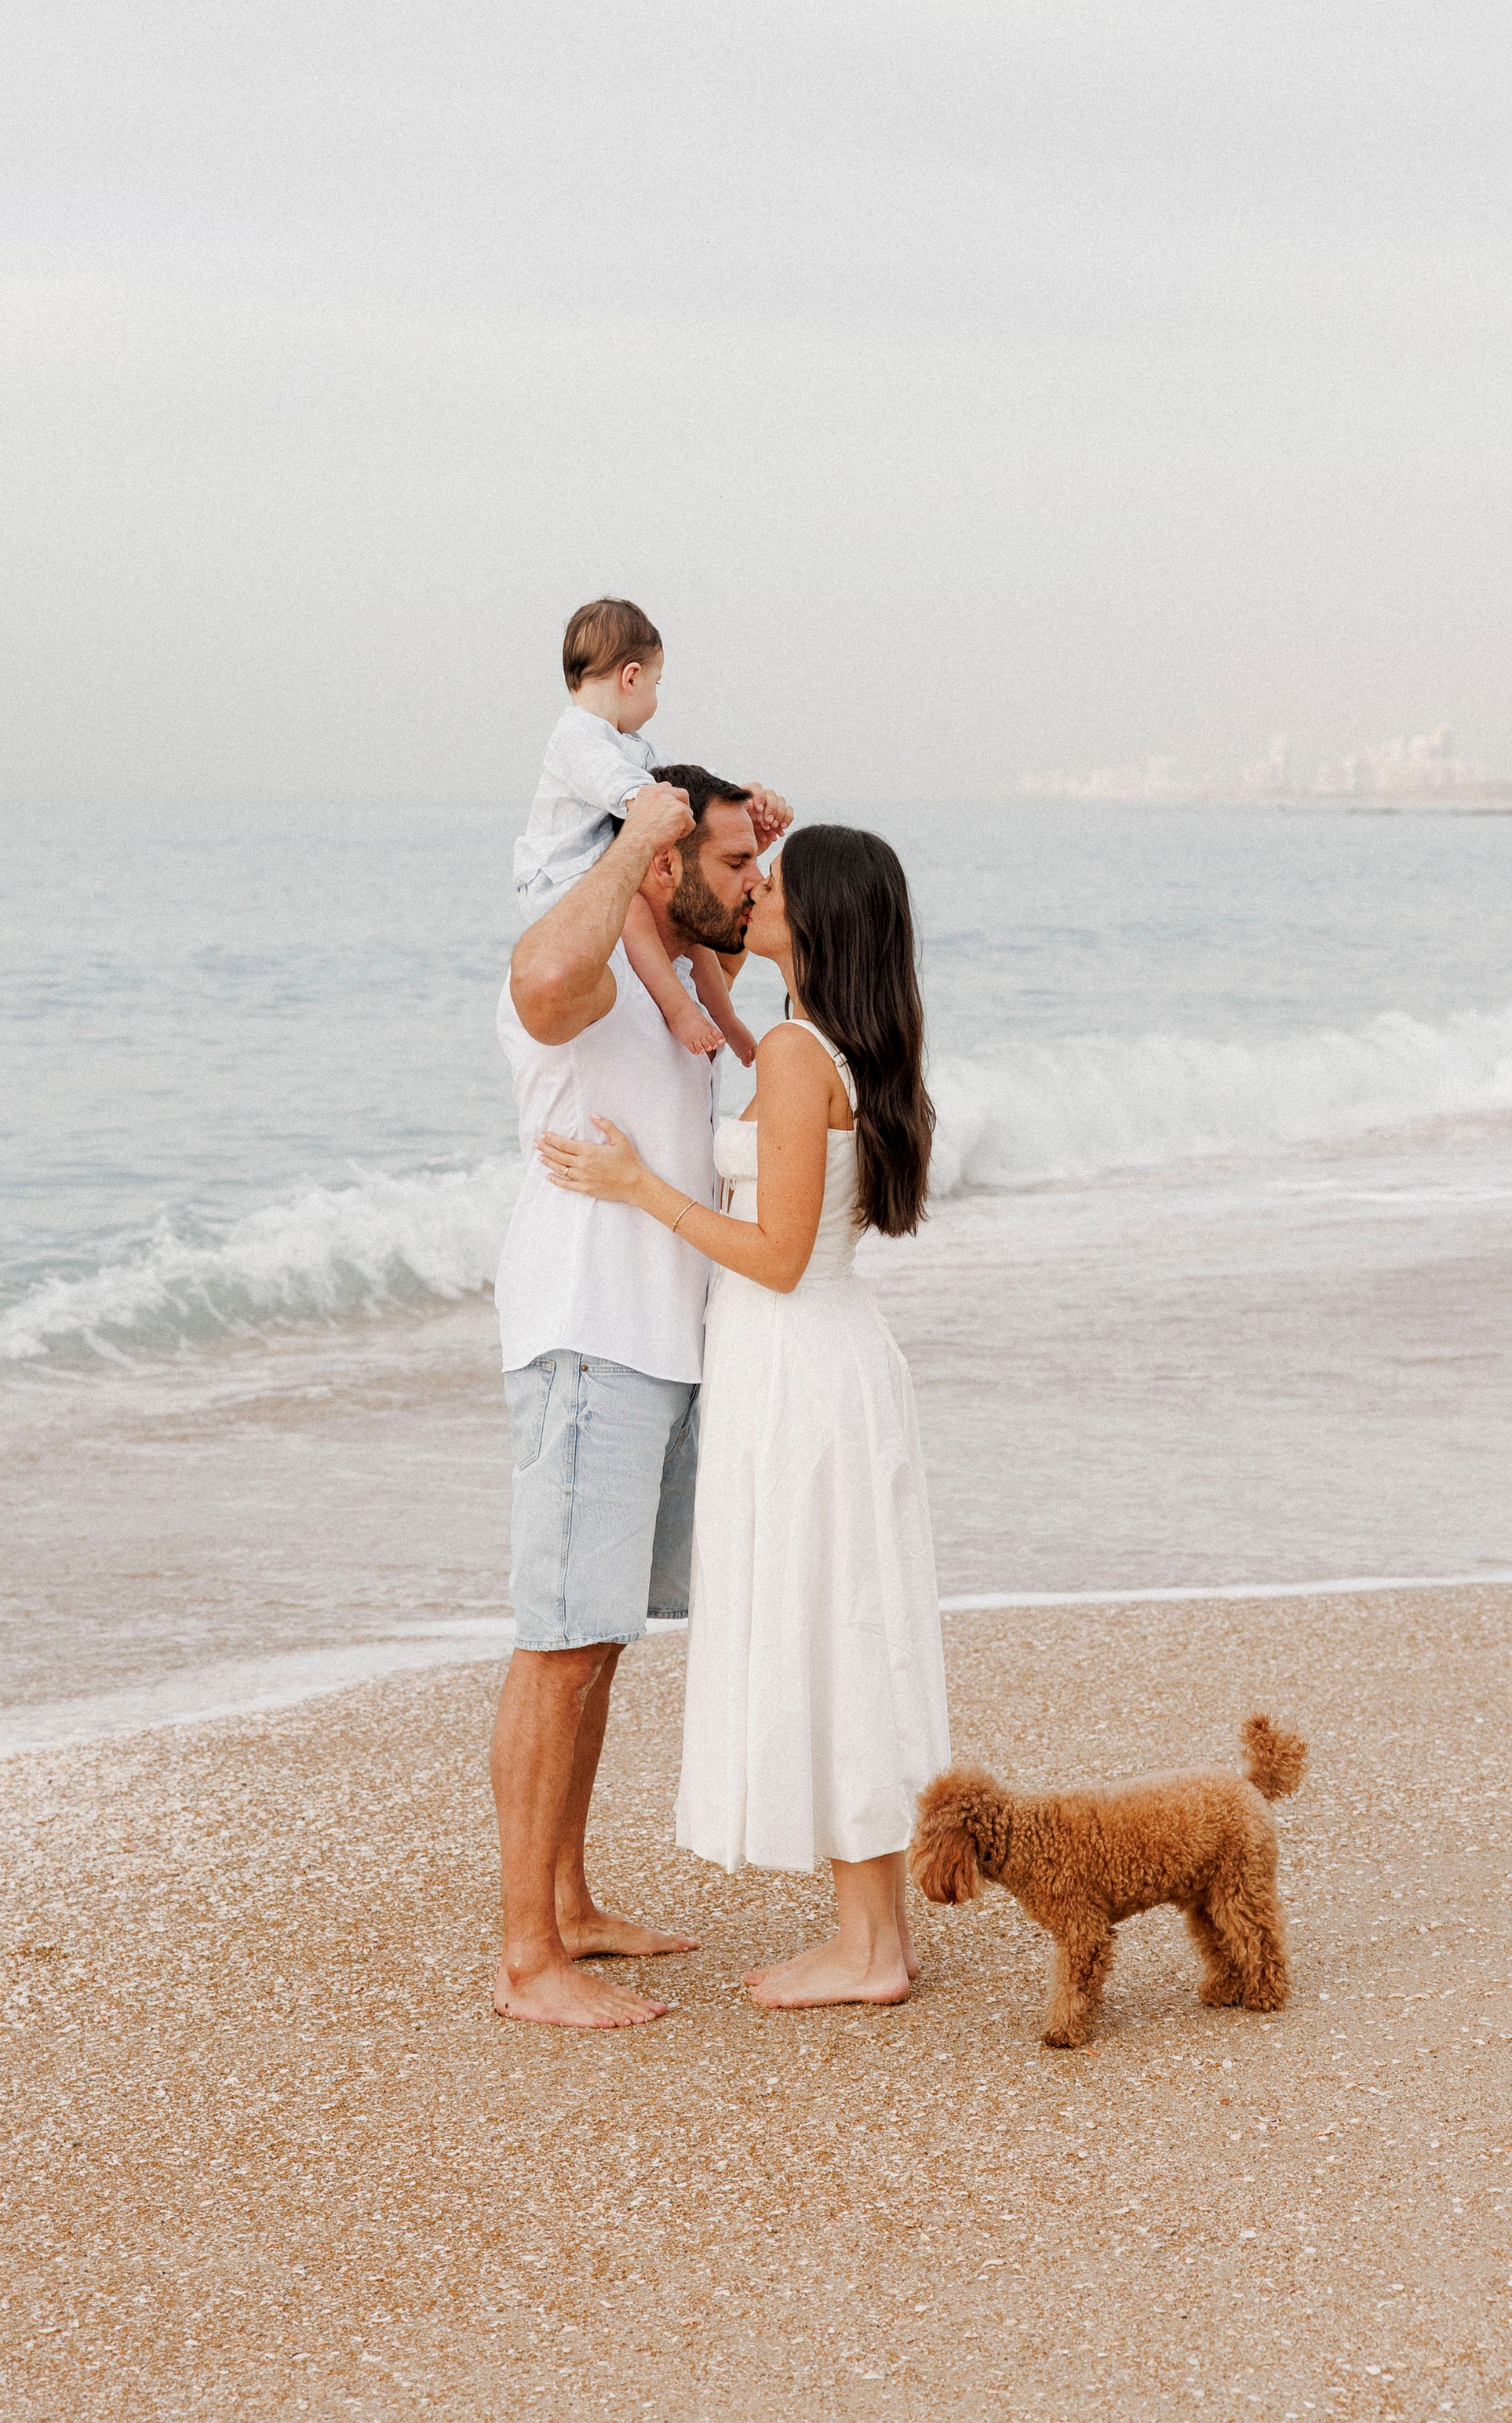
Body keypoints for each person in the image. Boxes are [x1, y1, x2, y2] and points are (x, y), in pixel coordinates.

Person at [539, 824, 949, 2011]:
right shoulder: (831, 1043)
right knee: (845, 1630)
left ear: (818, 919)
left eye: (774, 882)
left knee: (833, 1631)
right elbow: (719, 1015)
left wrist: (639, 1188)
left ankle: (871, 1947)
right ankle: (871, 1935)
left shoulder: (794, 1052)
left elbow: (773, 1253)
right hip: (826, 1361)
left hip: (799, 1366)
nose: (755, 888)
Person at [490, 760, 790, 2028]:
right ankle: (524, 1962)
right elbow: (534, 984)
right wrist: (636, 846)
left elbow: (768, 1024)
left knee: (597, 1640)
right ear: (660, 861)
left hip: (662, 1345)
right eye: (730, 864)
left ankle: (567, 1904)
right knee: (558, 1646)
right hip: (587, 1336)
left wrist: (747, 880)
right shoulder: (592, 965)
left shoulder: (677, 985)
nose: (751, 882)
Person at [515, 597, 760, 1066]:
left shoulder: (629, 744)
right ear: (631, 678)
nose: (656, 696)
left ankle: (725, 1019)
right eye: (657, 682)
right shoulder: (577, 734)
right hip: (560, 884)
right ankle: (679, 1009)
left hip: (600, 870)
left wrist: (734, 803)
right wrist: (644, 804)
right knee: (636, 912)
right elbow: (619, 784)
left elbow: (682, 781)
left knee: (690, 929)